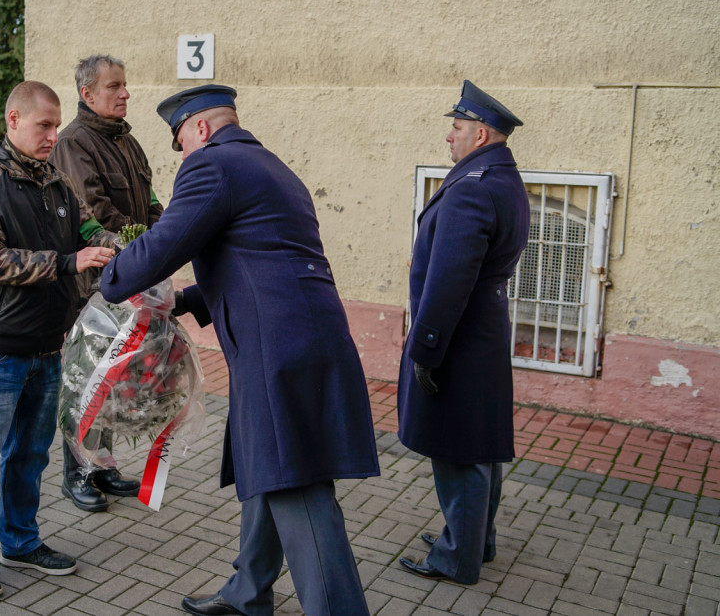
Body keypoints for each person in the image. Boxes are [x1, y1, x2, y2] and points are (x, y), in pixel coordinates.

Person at [100, 85, 380, 616]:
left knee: (297, 486)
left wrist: (111, 276)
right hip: (305, 338)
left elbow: (165, 244)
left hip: (278, 351)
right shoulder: (272, 167)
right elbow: (261, 258)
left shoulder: (211, 166)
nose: (182, 154)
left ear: (201, 128)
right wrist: (184, 301)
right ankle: (249, 592)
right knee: (269, 464)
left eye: (182, 141)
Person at [0, 81, 118, 599]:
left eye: (57, 125)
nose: (53, 135)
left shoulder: (56, 181)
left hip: (46, 343)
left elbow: (90, 232)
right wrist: (68, 263)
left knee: (31, 455)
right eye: (44, 125)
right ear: (13, 120)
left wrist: (138, 246)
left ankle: (19, 541)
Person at [396, 80, 530, 585]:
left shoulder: (473, 186)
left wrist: (427, 349)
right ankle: (475, 539)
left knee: (459, 448)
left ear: (480, 134)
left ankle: (457, 557)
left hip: (458, 335)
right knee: (478, 444)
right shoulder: (502, 178)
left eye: (456, 127)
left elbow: (450, 279)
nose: (449, 136)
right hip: (481, 328)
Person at [48, 54, 163, 512]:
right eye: (114, 86)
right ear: (87, 93)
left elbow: (151, 204)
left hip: (131, 280)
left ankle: (102, 465)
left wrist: (164, 241)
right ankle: (76, 474)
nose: (125, 93)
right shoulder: (74, 143)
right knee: (86, 379)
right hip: (93, 289)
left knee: (114, 379)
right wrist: (145, 249)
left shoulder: (128, 142)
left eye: (124, 85)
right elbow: (95, 213)